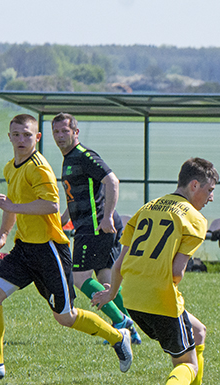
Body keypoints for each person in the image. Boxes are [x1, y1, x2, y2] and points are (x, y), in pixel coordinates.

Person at [0, 114, 132, 380]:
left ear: (37, 138)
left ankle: (117, 336)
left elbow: (51, 205)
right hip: (24, 250)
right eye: (16, 135)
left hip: (50, 250)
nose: (21, 140)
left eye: (27, 135)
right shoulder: (11, 167)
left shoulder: (39, 167)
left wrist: (12, 207)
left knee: (65, 317)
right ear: (9, 137)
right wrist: (3, 235)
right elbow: (13, 204)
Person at [92, 158, 220, 385]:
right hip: (160, 298)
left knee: (198, 332)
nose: (211, 197)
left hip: (132, 297)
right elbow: (177, 271)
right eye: (209, 190)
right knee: (187, 364)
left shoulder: (147, 208)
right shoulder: (194, 218)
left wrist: (110, 294)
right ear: (194, 184)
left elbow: (120, 262)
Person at [51, 113, 141, 344]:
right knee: (105, 280)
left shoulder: (83, 156)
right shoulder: (69, 158)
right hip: (95, 225)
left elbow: (112, 181)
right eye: (56, 132)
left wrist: (107, 216)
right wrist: (61, 220)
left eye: (65, 131)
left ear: (76, 133)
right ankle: (130, 330)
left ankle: (121, 322)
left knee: (79, 278)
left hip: (95, 227)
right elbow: (77, 195)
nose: (60, 136)